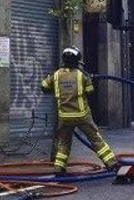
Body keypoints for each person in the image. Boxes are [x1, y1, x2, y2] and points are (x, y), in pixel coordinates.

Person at [40, 48, 118, 176]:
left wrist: (56, 89)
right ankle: (111, 163)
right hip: (82, 115)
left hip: (64, 116)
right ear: (77, 60)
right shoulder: (81, 75)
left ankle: (59, 168)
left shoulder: (57, 74)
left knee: (64, 142)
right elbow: (90, 91)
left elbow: (43, 86)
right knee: (95, 138)